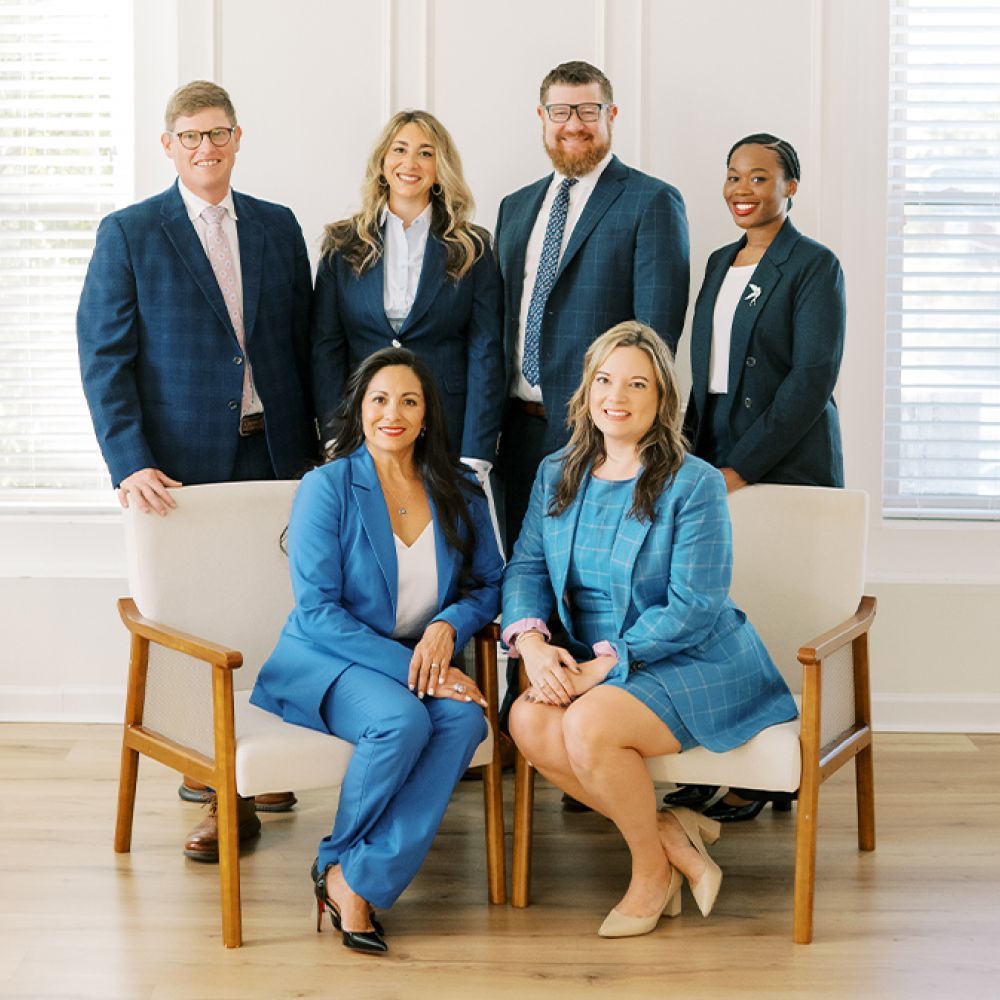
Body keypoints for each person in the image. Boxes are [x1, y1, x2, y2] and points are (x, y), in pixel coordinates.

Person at [76, 80, 316, 859]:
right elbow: (104, 358)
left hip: (277, 453)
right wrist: (129, 461)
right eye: (190, 137)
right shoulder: (130, 233)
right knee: (197, 623)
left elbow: (305, 348)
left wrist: (322, 454)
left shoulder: (279, 229)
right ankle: (217, 790)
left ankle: (264, 760)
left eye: (218, 134)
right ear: (168, 147)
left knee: (277, 611)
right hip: (179, 468)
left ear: (239, 138)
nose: (205, 149)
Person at [502, 321, 797, 937]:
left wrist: (603, 664)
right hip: (596, 664)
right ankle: (668, 833)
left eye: (637, 383)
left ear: (662, 398)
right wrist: (531, 643)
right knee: (527, 718)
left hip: (695, 658)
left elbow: (697, 603)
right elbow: (527, 566)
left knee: (587, 724)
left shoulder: (694, 483)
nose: (618, 396)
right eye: (605, 380)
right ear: (586, 391)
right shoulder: (556, 471)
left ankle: (648, 874)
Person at [250, 347, 503, 954]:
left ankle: (354, 877)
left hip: (420, 656)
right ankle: (340, 865)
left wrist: (447, 626)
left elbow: (491, 582)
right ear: (360, 408)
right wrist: (422, 672)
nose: (394, 413)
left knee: (465, 718)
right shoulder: (327, 486)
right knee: (399, 718)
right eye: (380, 399)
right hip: (327, 658)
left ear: (426, 415)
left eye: (409, 401)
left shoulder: (461, 486)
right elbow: (318, 612)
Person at [666, 132, 846, 823]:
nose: (744, 190)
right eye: (734, 177)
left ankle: (775, 775)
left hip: (785, 463)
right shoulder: (716, 262)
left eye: (761, 178)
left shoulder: (813, 265)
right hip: (714, 455)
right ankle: (721, 756)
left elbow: (810, 381)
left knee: (781, 614)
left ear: (789, 188)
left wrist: (743, 466)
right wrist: (688, 453)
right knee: (719, 616)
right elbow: (706, 374)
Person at [494, 60, 690, 557]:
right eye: (561, 111)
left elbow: (655, 338)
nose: (574, 124)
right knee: (521, 572)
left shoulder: (652, 201)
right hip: (514, 432)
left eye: (588, 110)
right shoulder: (514, 207)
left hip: (601, 435)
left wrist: (622, 430)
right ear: (542, 117)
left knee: (591, 581)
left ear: (611, 114)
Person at [311, 110, 504, 502]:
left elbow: (486, 352)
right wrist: (335, 435)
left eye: (425, 153)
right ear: (383, 163)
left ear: (440, 168)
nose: (410, 163)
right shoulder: (343, 244)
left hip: (447, 426)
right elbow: (325, 348)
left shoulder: (473, 247)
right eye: (399, 150)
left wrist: (477, 451)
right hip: (365, 425)